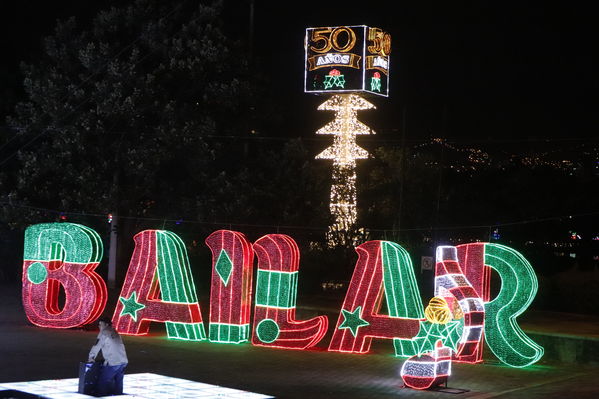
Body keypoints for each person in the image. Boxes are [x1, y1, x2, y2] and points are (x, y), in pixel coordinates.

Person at [88, 317, 128, 396]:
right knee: (118, 384)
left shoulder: (104, 332)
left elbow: (97, 345)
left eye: (100, 324)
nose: (99, 326)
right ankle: (118, 396)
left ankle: (101, 395)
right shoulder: (115, 331)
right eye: (98, 324)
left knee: (103, 382)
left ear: (106, 324)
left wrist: (91, 357)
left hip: (113, 362)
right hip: (123, 361)